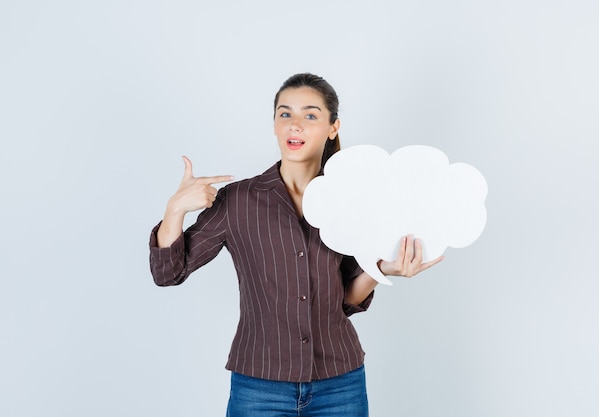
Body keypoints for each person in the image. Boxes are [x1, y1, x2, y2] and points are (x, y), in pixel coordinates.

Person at [149, 73, 443, 417]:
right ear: (274, 125)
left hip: (340, 384)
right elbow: (167, 273)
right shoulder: (237, 202)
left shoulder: (354, 202)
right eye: (285, 114)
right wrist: (175, 209)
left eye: (311, 115)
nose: (295, 125)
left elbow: (345, 300)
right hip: (259, 386)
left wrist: (382, 269)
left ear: (333, 127)